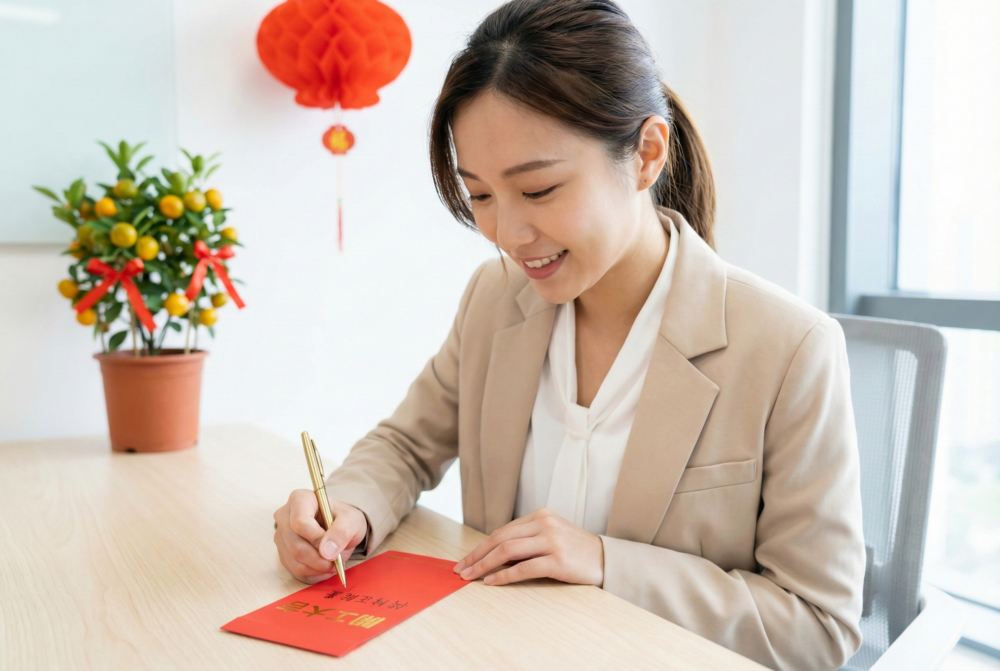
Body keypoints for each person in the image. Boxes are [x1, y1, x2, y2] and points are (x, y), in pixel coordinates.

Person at [272, 1, 866, 668]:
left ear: (646, 154)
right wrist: (348, 507)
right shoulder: (495, 301)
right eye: (482, 196)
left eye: (540, 190)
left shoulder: (788, 348)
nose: (508, 235)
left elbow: (818, 625)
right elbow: (407, 445)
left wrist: (607, 562)